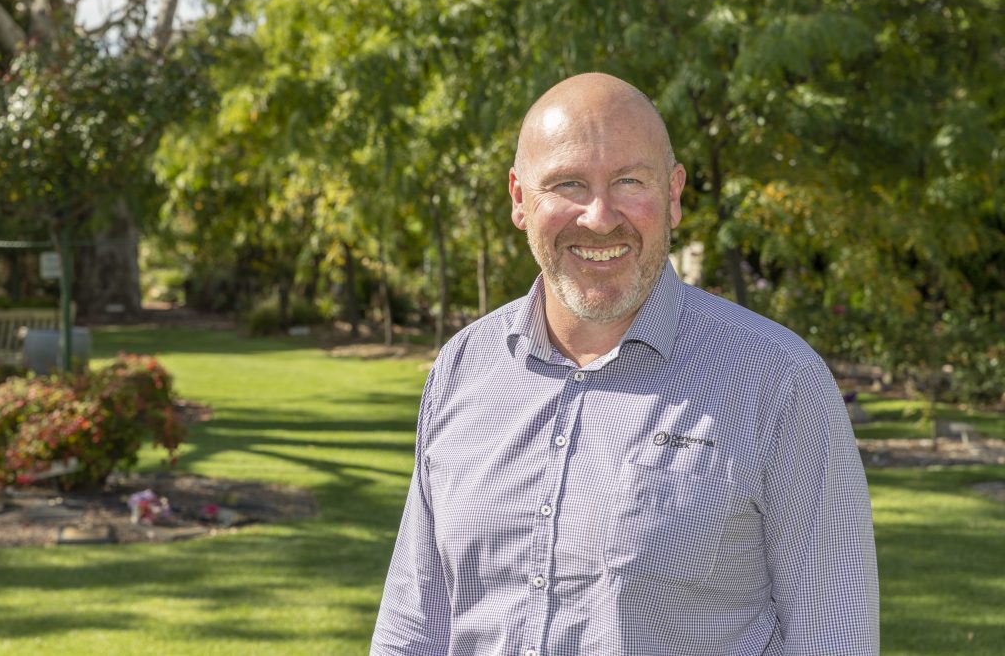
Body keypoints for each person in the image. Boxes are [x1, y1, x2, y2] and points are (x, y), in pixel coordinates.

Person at [371, 73, 879, 655]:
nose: (599, 217)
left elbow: (833, 639)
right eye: (567, 184)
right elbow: (414, 626)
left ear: (673, 193)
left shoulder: (778, 382)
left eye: (629, 181)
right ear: (519, 199)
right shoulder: (463, 369)